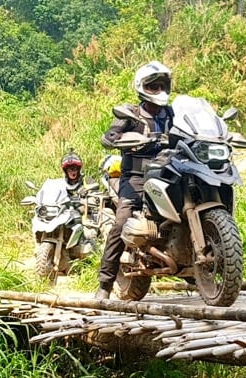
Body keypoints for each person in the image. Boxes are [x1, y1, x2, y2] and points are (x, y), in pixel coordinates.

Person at [95, 60, 174, 300]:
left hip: (168, 173)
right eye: (153, 86)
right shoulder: (131, 113)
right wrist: (115, 137)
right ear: (141, 87)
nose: (158, 90)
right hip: (137, 177)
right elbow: (111, 134)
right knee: (121, 224)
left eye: (162, 85)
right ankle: (105, 285)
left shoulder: (172, 113)